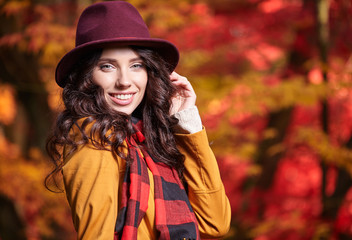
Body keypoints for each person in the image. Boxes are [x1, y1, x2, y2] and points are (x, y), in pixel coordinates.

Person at [46, 1, 231, 239]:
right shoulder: (94, 137)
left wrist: (186, 121)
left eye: (136, 65)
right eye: (107, 67)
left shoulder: (146, 139)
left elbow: (215, 222)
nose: (124, 80)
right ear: (87, 77)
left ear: (149, 73)